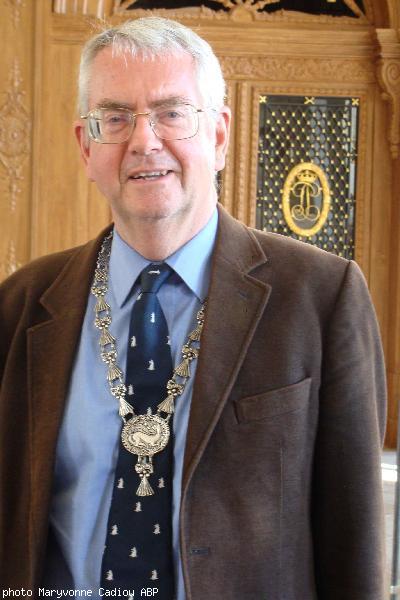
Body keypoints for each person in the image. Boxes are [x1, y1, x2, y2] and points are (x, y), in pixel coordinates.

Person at [0, 16, 386, 600]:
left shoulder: (320, 296)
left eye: (171, 112)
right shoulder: (23, 303)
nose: (143, 140)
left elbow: (353, 536)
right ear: (87, 145)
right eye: (116, 117)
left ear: (219, 135)